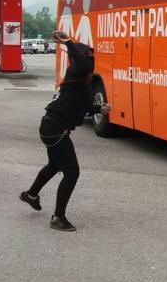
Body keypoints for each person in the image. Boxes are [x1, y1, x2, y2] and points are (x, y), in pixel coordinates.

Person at [19, 30, 107, 231]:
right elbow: (83, 63)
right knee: (72, 172)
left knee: (54, 165)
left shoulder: (80, 80)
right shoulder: (77, 72)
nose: (92, 62)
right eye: (89, 57)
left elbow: (82, 107)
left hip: (51, 126)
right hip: (55, 129)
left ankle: (31, 195)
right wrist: (69, 43)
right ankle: (58, 218)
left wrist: (98, 109)